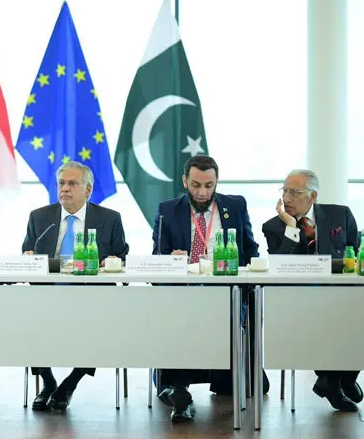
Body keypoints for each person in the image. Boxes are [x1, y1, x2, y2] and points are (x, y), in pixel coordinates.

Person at [151, 155, 264, 423]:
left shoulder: (235, 206)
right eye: (196, 185)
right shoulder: (168, 209)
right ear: (185, 182)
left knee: (209, 317)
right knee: (180, 316)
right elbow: (158, 256)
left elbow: (250, 250)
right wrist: (172, 259)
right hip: (185, 291)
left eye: (209, 185)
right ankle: (180, 390)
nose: (202, 192)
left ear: (217, 182)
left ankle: (179, 389)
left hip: (226, 293)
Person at [21, 161, 129, 412]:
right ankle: (48, 382)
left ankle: (71, 382)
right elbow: (27, 253)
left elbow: (121, 257)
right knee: (29, 314)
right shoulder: (39, 217)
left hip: (92, 294)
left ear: (88, 190)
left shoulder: (110, 219)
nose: (65, 189)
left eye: (72, 183)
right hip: (48, 292)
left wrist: (111, 262)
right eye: (61, 183)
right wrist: (28, 257)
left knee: (99, 322)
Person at [262, 169, 361, 412]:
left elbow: (356, 255)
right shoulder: (273, 227)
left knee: (357, 313)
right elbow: (277, 265)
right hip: (299, 300)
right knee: (330, 318)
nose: (287, 198)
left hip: (340, 294)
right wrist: (291, 227)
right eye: (284, 191)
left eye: (294, 193)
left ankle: (339, 378)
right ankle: (335, 380)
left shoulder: (340, 215)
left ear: (313, 196)